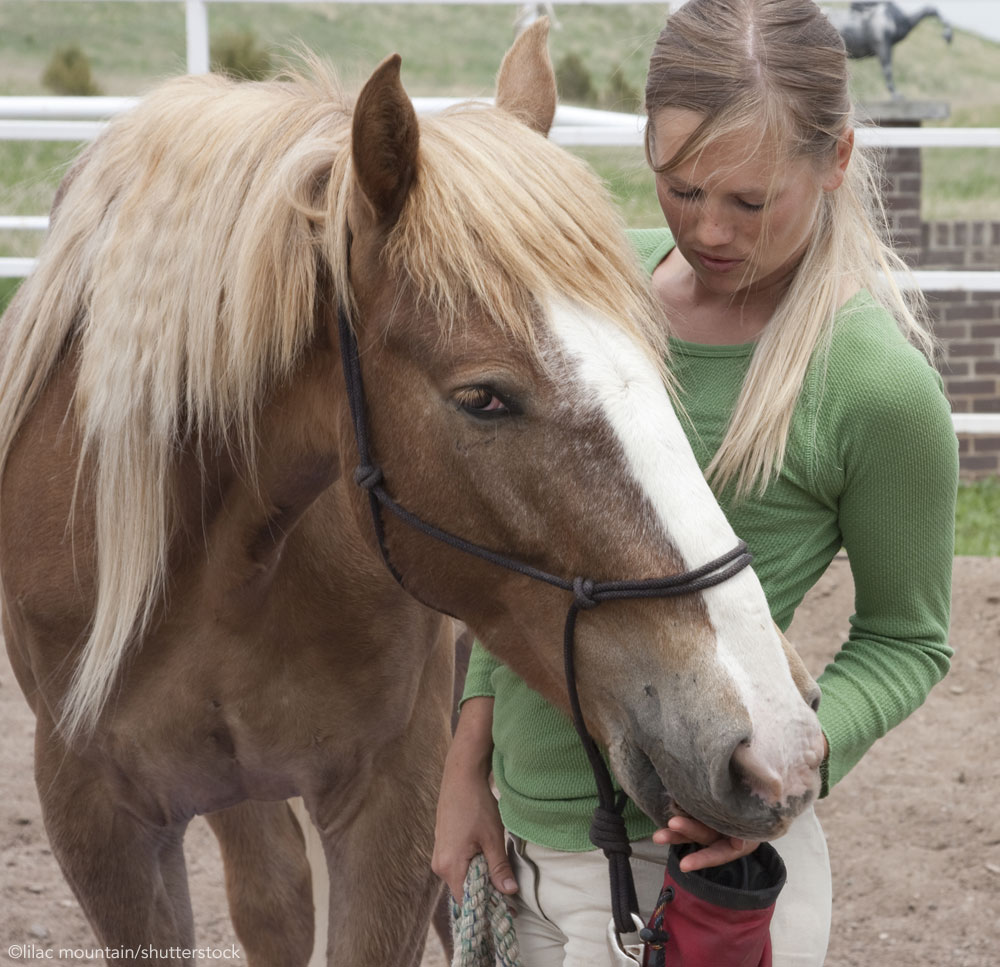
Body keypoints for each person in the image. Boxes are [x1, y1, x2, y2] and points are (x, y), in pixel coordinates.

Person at [432, 1, 959, 964]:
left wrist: (789, 770)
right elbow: (525, 545)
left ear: (835, 160)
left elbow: (907, 637)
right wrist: (465, 766)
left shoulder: (874, 385)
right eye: (679, 188)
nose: (710, 228)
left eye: (751, 202)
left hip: (707, 880)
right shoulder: (597, 299)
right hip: (523, 850)